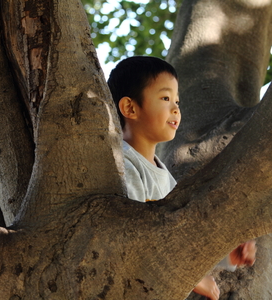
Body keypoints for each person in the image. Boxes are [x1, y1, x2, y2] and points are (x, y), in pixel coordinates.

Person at [107, 56, 256, 300]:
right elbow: (132, 240)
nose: (176, 108)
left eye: (177, 101)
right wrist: (194, 279)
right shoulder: (123, 164)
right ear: (130, 108)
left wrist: (227, 254)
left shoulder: (167, 179)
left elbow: (182, 234)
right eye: (165, 98)